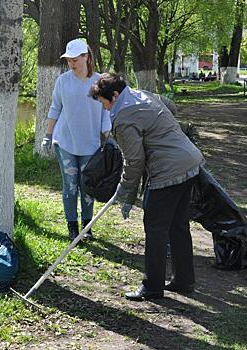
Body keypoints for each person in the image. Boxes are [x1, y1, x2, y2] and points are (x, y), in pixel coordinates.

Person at [89, 73, 205, 301]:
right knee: (178, 225)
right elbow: (171, 106)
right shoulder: (143, 94)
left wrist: (123, 190)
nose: (104, 109)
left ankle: (152, 286)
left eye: (103, 103)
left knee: (155, 228)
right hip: (190, 161)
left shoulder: (123, 117)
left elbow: (134, 161)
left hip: (168, 171)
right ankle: (183, 280)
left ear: (113, 95)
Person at [41, 39, 111, 241]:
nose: (71, 64)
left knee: (87, 186)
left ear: (86, 58)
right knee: (70, 186)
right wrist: (48, 135)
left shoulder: (99, 82)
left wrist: (108, 138)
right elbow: (55, 108)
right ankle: (72, 227)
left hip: (91, 144)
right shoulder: (63, 81)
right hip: (66, 142)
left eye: (75, 60)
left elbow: (106, 112)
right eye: (68, 60)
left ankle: (86, 228)